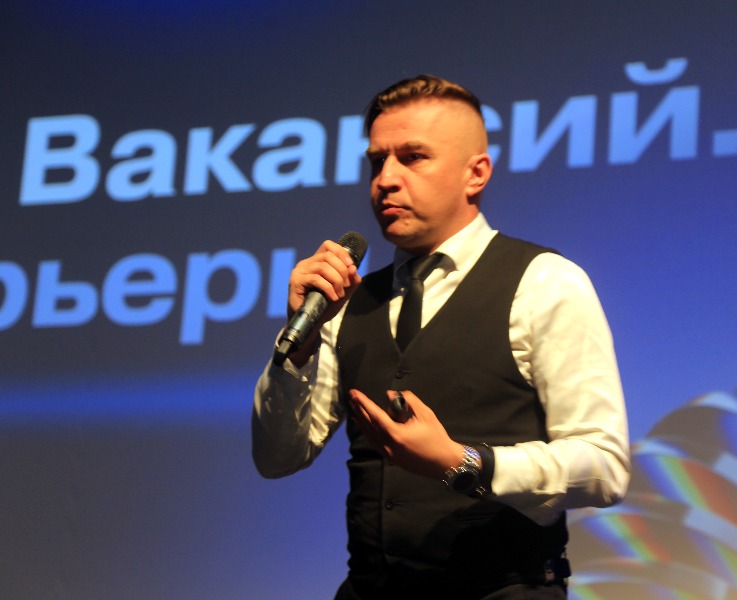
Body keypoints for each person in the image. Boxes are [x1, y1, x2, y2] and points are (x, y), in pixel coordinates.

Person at [252, 74, 630, 599]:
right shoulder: (347, 300)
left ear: (476, 174)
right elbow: (277, 458)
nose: (385, 180)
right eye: (377, 162)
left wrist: (463, 462)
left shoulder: (544, 281)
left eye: (413, 158)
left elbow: (604, 466)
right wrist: (300, 346)